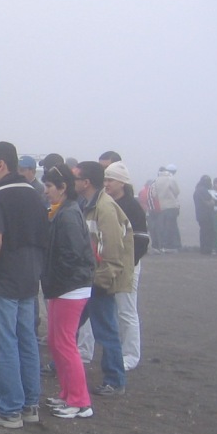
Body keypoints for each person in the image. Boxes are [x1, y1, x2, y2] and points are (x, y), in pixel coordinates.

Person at [0, 141, 48, 430]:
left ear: (2, 164)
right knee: (27, 340)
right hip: (30, 277)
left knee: (4, 342)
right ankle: (30, 404)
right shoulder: (33, 193)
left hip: (4, 277)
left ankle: (8, 409)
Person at [74, 161, 134, 396]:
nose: (73, 182)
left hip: (98, 280)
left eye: (77, 178)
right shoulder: (91, 204)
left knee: (106, 330)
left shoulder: (105, 208)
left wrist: (100, 280)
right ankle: (61, 363)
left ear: (86, 182)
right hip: (91, 278)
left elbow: (112, 250)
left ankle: (115, 380)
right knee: (72, 325)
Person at [41, 163, 95, 419]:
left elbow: (72, 255)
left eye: (49, 186)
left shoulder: (68, 215)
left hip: (70, 289)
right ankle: (68, 393)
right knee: (57, 341)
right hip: (65, 287)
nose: (46, 191)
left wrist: (56, 279)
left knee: (64, 343)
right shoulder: (65, 211)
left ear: (63, 188)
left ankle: (79, 400)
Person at [102, 161, 150, 372]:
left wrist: (127, 264)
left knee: (127, 311)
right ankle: (116, 351)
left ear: (122, 182)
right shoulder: (108, 203)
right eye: (105, 179)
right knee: (112, 310)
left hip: (127, 266)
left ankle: (131, 355)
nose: (106, 184)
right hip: (110, 264)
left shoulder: (132, 206)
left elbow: (141, 240)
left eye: (110, 180)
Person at [153, 165, 181, 252]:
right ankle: (172, 245)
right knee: (172, 226)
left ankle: (164, 245)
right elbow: (177, 191)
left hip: (162, 206)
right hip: (172, 205)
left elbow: (154, 194)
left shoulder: (156, 180)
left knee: (164, 226)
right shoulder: (170, 179)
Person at [194, 175, 217, 255]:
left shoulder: (197, 190)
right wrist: (215, 202)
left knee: (203, 232)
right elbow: (210, 203)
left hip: (199, 214)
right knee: (208, 232)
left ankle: (203, 249)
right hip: (207, 215)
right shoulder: (204, 190)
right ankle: (207, 249)